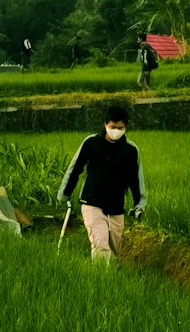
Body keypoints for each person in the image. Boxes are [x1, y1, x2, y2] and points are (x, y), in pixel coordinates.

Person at [57, 102, 146, 262]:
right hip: (92, 202)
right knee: (100, 243)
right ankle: (100, 280)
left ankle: (110, 281)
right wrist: (64, 194)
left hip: (116, 207)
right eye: (113, 127)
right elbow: (75, 169)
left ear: (125, 127)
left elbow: (136, 179)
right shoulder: (91, 143)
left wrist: (139, 204)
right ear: (105, 124)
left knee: (114, 250)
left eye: (120, 128)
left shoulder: (131, 150)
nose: (116, 131)